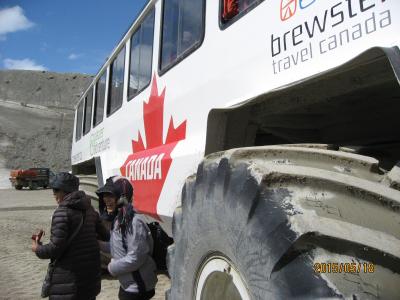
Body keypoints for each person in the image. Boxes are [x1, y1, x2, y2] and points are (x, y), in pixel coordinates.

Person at [31, 172, 109, 300]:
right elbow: (106, 236)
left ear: (64, 191)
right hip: (90, 280)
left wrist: (37, 248)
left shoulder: (62, 213)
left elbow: (54, 249)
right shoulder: (90, 210)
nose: (54, 195)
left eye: (56, 191)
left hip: (68, 284)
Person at [97, 176, 158, 300]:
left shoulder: (134, 222)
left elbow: (136, 257)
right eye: (104, 196)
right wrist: (99, 245)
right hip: (128, 282)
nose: (105, 199)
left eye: (110, 195)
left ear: (122, 196)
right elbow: (120, 246)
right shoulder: (120, 219)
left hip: (137, 286)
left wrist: (112, 268)